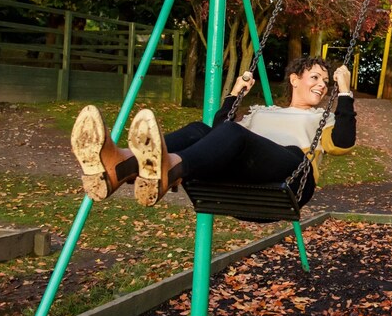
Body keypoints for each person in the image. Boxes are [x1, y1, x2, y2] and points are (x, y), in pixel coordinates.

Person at [69, 56, 355, 208]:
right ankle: (119, 166)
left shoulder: (322, 118)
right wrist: (234, 95)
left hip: (292, 173)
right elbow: (218, 133)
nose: (322, 85)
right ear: (294, 79)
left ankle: (167, 170)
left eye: (326, 81)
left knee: (234, 133)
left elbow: (343, 143)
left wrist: (344, 92)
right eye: (315, 77)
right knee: (199, 130)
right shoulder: (263, 112)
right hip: (245, 169)